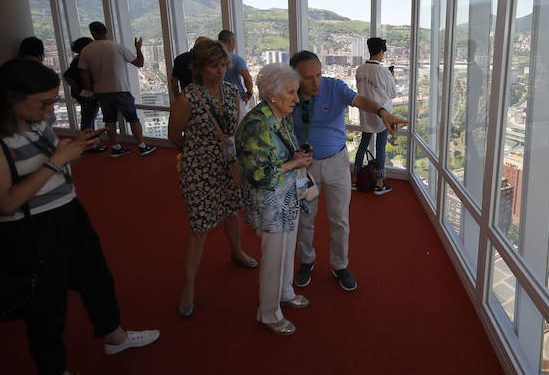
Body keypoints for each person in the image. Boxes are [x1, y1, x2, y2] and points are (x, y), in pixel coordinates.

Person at [0, 59, 159, 375]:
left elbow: (55, 167)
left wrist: (70, 151)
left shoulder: (36, 125)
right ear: (11, 98)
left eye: (53, 101)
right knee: (46, 307)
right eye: (43, 102)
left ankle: (115, 335)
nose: (50, 109)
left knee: (97, 278)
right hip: (27, 230)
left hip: (69, 213)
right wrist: (55, 160)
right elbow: (6, 203)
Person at [289, 50, 407, 291]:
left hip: (336, 162)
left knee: (340, 218)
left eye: (319, 75)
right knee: (305, 217)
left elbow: (360, 101)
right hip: (303, 169)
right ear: (295, 78)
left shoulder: (334, 87)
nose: (316, 82)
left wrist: (382, 112)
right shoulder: (288, 95)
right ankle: (306, 261)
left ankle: (340, 265)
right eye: (308, 78)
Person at [167, 37, 257, 318]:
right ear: (199, 67)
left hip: (228, 164)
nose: (220, 71)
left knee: (232, 210)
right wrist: (197, 155)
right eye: (213, 66)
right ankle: (189, 286)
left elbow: (235, 128)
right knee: (199, 226)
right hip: (199, 170)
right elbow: (174, 136)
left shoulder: (231, 92)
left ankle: (236, 250)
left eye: (222, 65)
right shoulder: (187, 99)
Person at [236, 63, 313, 335]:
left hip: (286, 195)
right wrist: (293, 166)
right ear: (271, 94)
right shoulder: (256, 125)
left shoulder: (281, 116)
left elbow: (282, 154)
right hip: (269, 199)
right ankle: (267, 312)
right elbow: (258, 173)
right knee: (273, 255)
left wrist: (295, 158)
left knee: (287, 248)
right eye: (291, 93)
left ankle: (285, 291)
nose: (296, 98)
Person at [78, 21, 155, 157]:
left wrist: (89, 91)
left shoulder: (86, 50)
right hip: (120, 88)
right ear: (106, 31)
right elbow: (139, 63)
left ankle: (115, 146)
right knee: (133, 118)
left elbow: (83, 73)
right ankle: (142, 145)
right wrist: (138, 48)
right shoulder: (116, 47)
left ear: (92, 33)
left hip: (101, 91)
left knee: (109, 120)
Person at [352, 37, 396, 195]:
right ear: (381, 51)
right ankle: (379, 183)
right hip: (382, 115)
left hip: (365, 113)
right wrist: (392, 77)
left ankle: (355, 181)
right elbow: (392, 94)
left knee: (362, 146)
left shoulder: (360, 69)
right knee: (380, 148)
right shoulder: (384, 72)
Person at [63, 37, 106, 152]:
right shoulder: (79, 61)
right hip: (87, 95)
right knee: (88, 119)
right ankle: (88, 145)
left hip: (86, 94)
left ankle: (90, 144)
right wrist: (82, 91)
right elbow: (68, 76)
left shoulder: (78, 60)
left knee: (88, 118)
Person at [217, 30, 254, 108]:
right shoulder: (236, 59)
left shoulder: (213, 58)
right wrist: (249, 92)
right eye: (234, 41)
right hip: (236, 98)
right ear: (230, 41)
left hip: (217, 98)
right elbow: (247, 78)